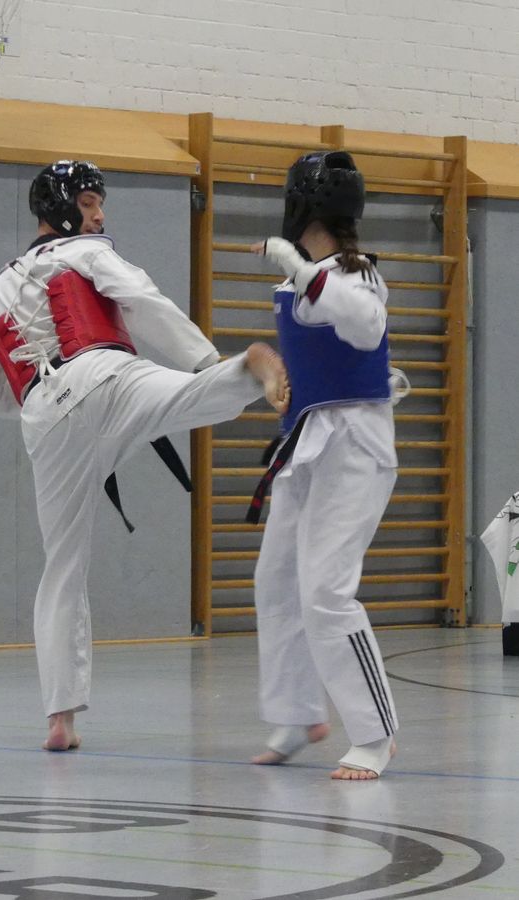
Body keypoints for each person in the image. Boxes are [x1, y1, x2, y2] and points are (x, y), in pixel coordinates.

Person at [0, 159, 289, 752]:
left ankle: (60, 719)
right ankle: (242, 369)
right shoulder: (83, 252)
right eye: (88, 203)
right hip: (104, 375)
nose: (99, 215)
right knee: (192, 396)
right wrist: (202, 359)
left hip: (47, 420)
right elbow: (139, 297)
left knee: (62, 566)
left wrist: (39, 397)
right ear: (61, 207)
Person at [248, 151, 406, 780]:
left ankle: (375, 734)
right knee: (276, 580)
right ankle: (297, 714)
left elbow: (366, 328)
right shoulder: (301, 281)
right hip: (306, 441)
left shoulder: (355, 275)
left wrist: (299, 267)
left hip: (356, 448)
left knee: (326, 592)